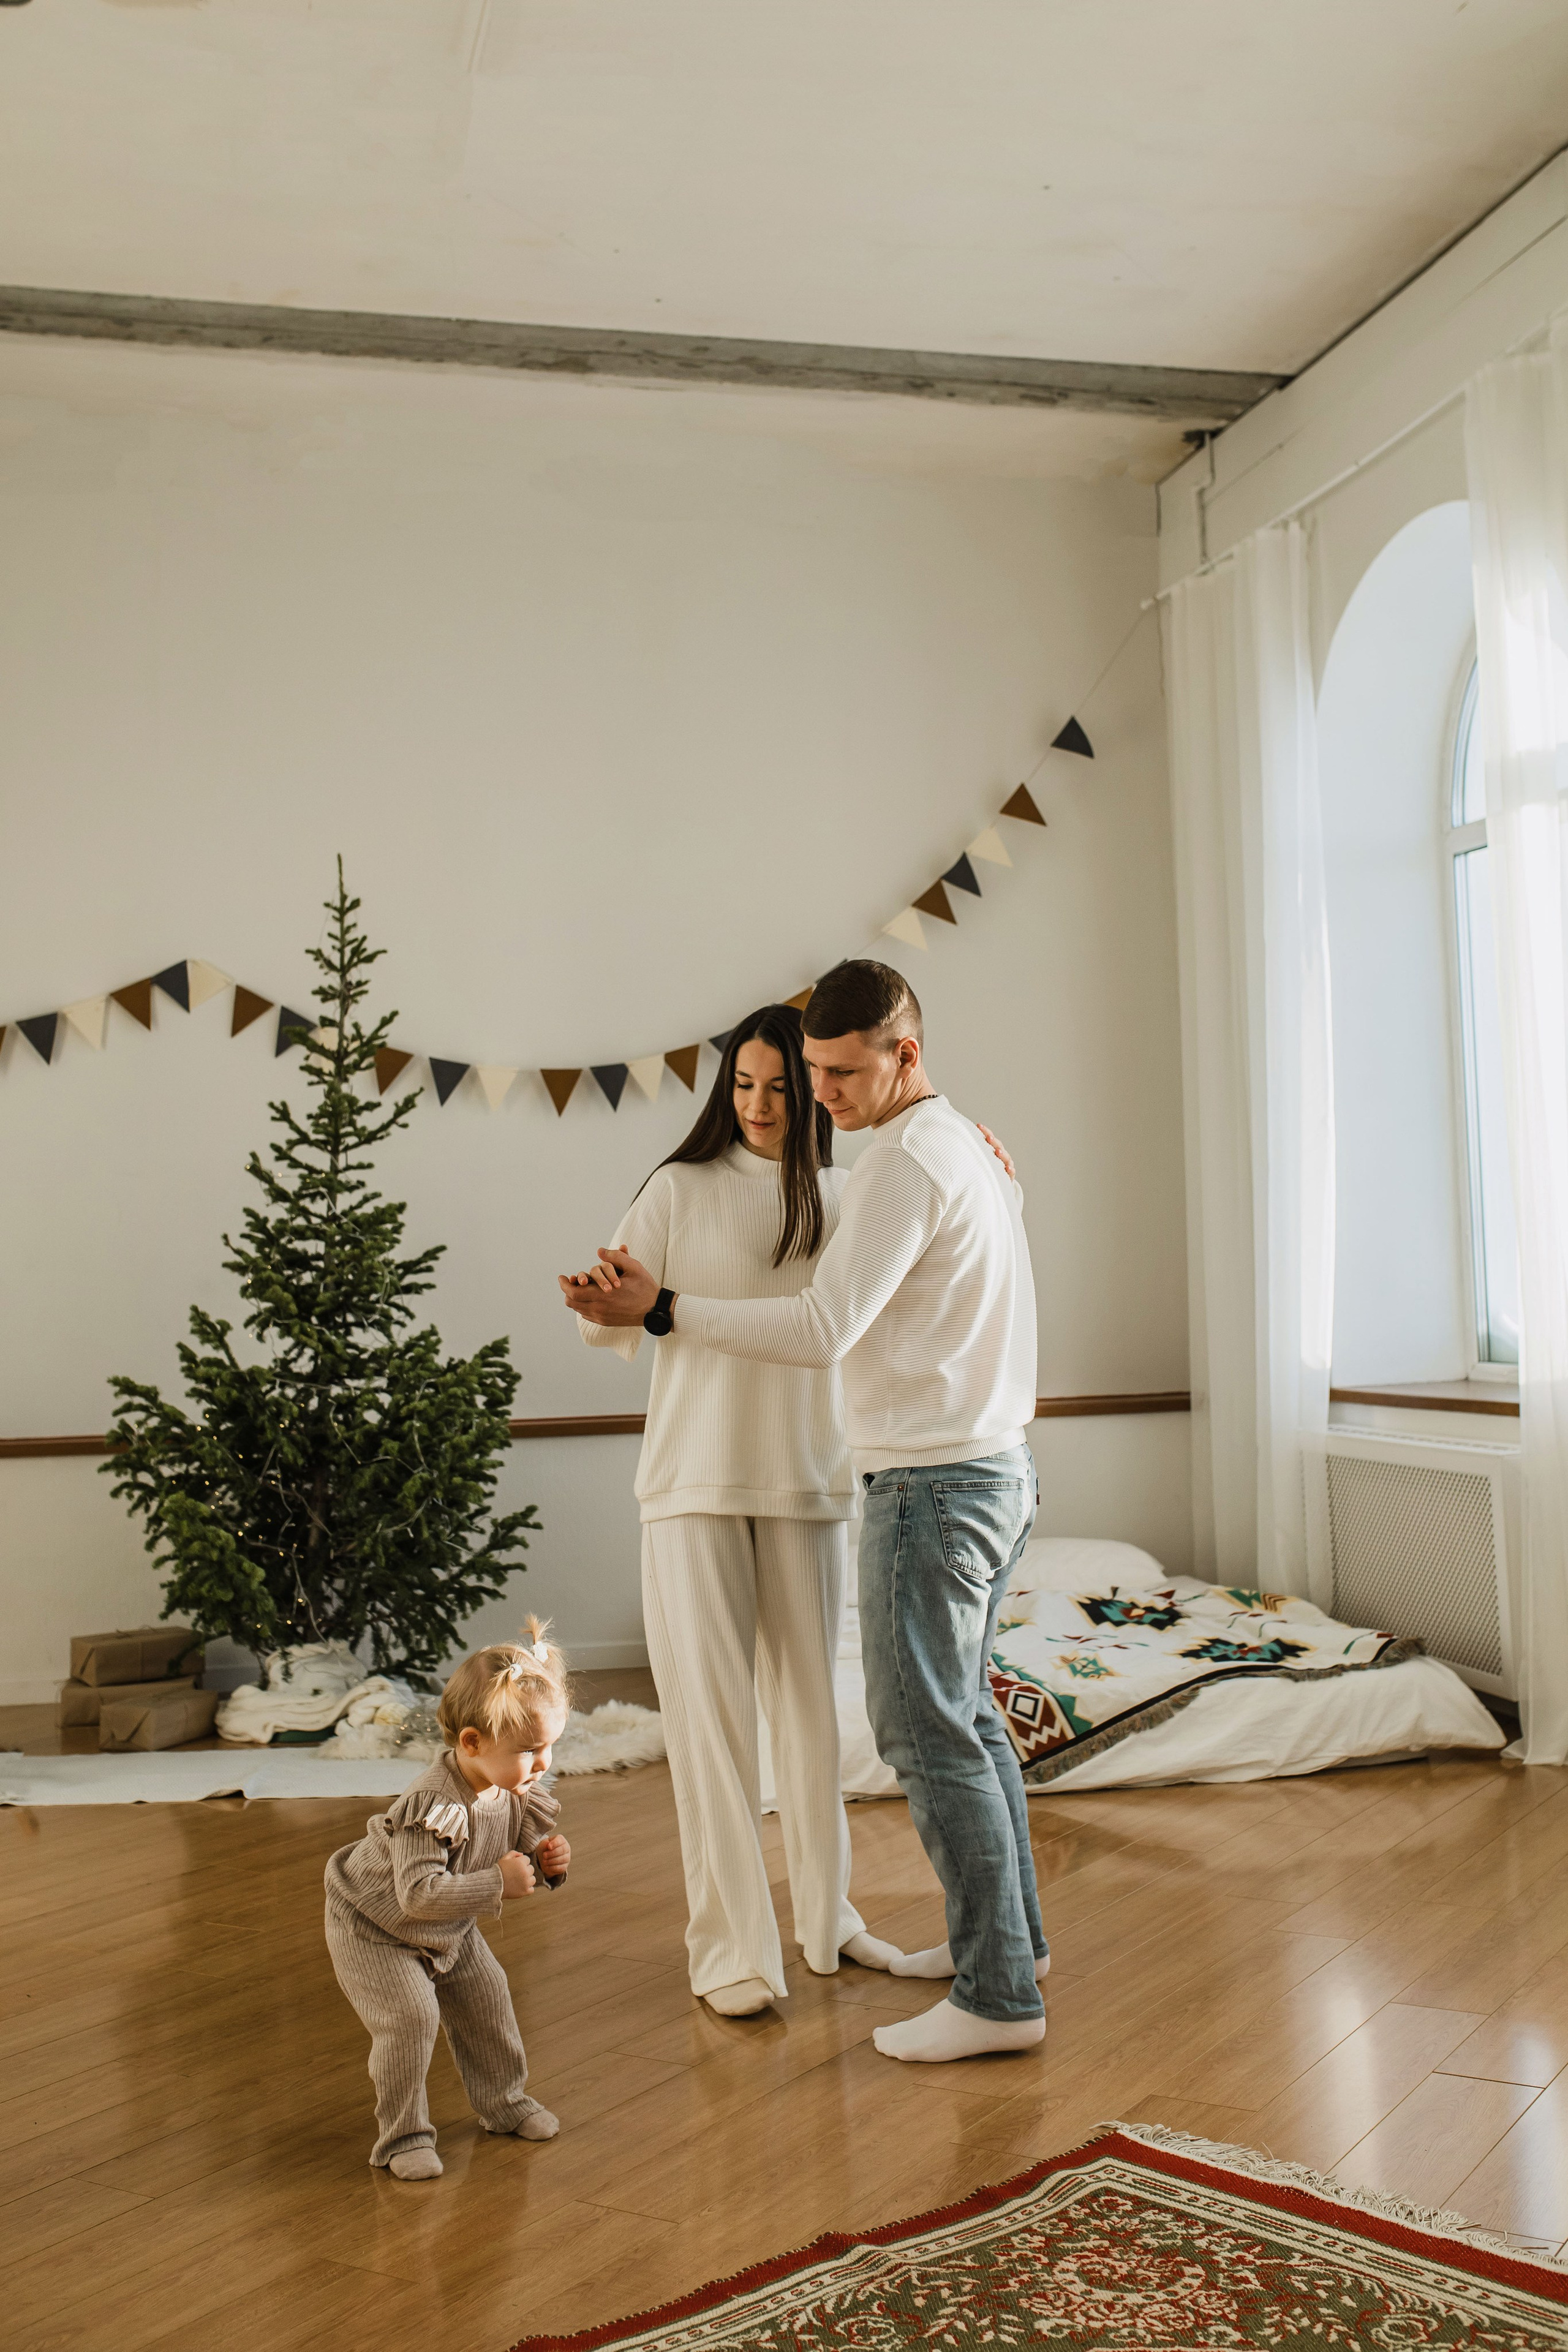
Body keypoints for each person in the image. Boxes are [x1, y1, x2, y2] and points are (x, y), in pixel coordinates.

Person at [569, 960, 1047, 2065]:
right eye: (769, 1080)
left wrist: (667, 1308)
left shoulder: (876, 1177)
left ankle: (910, 1954)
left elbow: (828, 1325)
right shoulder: (704, 1185)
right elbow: (617, 1321)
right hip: (719, 1479)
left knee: (872, 1726)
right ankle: (747, 1949)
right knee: (759, 1728)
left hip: (854, 1479)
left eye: (814, 1078)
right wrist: (627, 1308)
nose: (796, 1098)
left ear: (901, 1058)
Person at [560, 1005, 903, 2018]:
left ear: (817, 1094)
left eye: (781, 1087)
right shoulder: (678, 1187)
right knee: (710, 1731)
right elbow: (607, 1329)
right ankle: (731, 1953)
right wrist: (598, 1299)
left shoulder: (846, 1196)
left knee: (810, 1718)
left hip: (806, 1479)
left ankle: (828, 1921)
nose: (760, 1105)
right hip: (692, 1483)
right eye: (744, 1086)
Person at [323, 1621, 572, 2177]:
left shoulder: (512, 1785)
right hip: (374, 1927)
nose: (543, 1764)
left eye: (550, 1747)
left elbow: (516, 1847)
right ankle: (403, 2137)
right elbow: (417, 1895)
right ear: (471, 1743)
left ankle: (505, 2104)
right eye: (530, 1750)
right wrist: (497, 1883)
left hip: (448, 1924)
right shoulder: (432, 1804)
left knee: (489, 2000)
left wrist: (547, 1862)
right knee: (410, 2018)